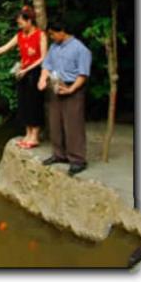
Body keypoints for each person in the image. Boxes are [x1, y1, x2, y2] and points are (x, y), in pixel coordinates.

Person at [0, 6, 47, 148]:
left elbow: (44, 58)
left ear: (29, 21)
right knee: (23, 102)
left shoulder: (40, 35)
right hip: (22, 72)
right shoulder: (20, 35)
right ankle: (27, 134)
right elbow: (4, 48)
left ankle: (35, 136)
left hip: (35, 72)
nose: (19, 25)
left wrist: (28, 69)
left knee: (34, 103)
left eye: (21, 22)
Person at [37, 19, 92, 176]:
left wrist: (71, 89)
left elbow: (83, 74)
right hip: (55, 85)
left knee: (73, 124)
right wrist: (42, 79)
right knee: (55, 121)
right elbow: (47, 65)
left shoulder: (80, 49)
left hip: (72, 87)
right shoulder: (54, 47)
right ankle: (59, 154)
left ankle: (77, 160)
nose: (52, 37)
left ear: (62, 31)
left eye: (53, 34)